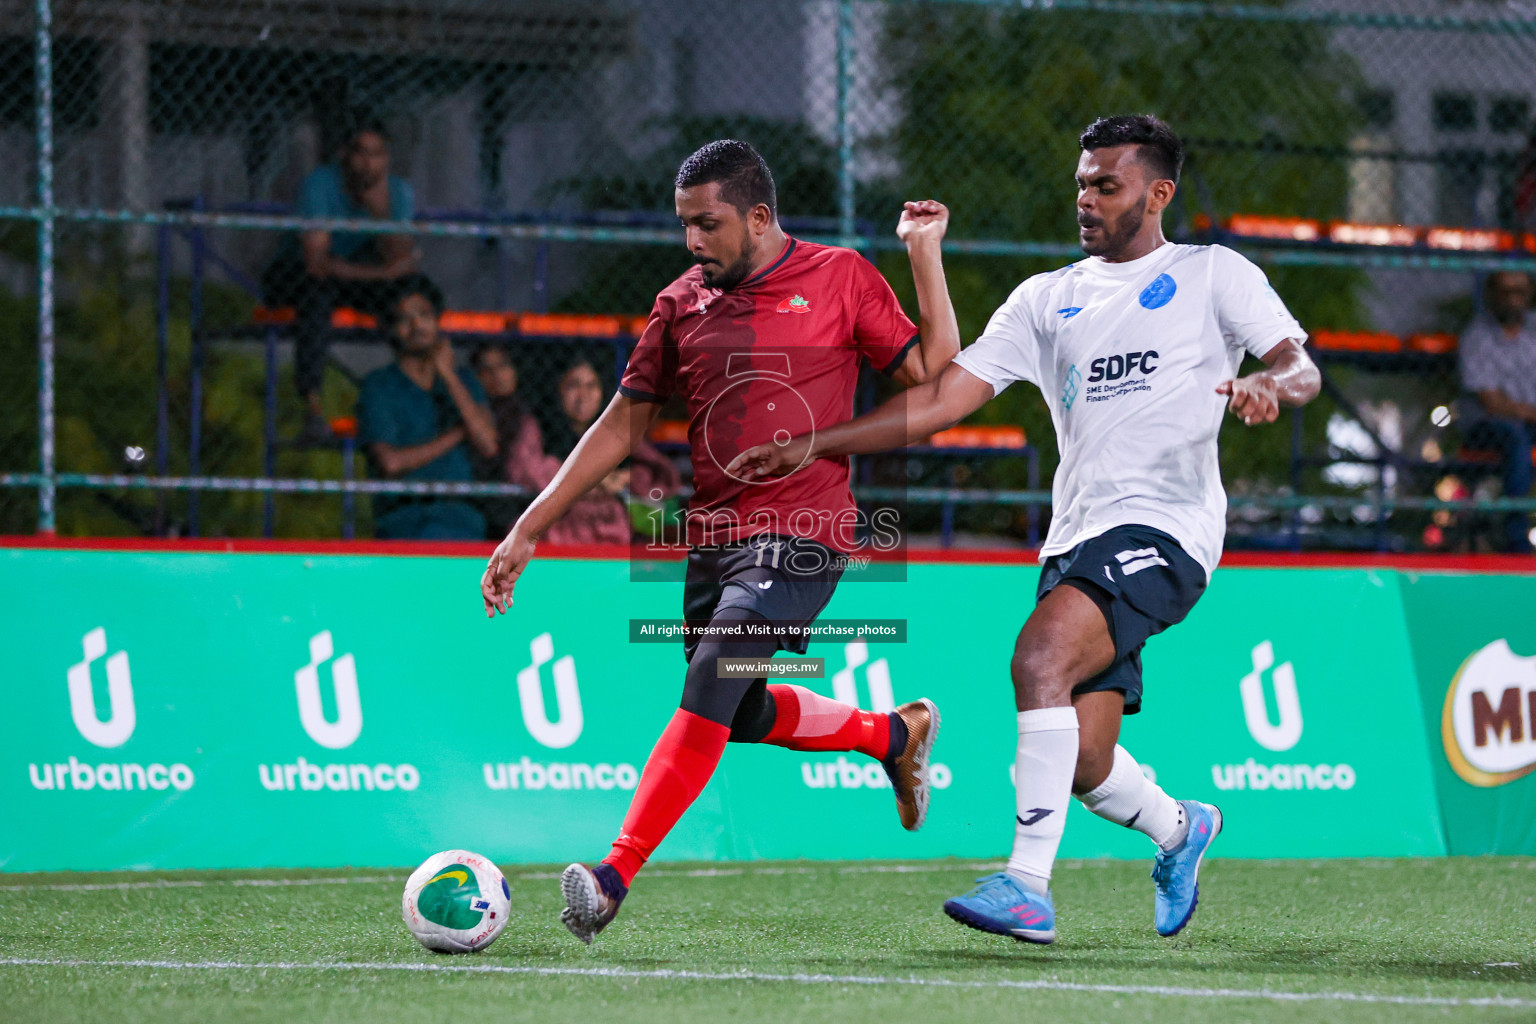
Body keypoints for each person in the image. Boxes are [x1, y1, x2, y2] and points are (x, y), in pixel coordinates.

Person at [730, 115, 1321, 945]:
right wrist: (812, 441)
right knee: (1082, 762)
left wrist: (1271, 384)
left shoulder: (1213, 274)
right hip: (1075, 538)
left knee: (1038, 658)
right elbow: (940, 400)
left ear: (1159, 193)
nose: (1085, 198)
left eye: (1105, 184)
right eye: (1081, 182)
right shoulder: (1047, 297)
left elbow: (1301, 364)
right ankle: (1181, 829)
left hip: (1168, 527)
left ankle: (1026, 884)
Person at [479, 139, 961, 943]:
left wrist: (922, 252)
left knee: (716, 668)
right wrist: (531, 525)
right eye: (685, 226)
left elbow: (933, 368)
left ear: (760, 216)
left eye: (709, 225)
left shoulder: (840, 276)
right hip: (714, 538)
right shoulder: (681, 302)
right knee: (733, 711)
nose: (693, 242)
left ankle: (612, 876)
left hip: (807, 530)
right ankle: (893, 734)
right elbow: (624, 420)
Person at [264, 117, 423, 441]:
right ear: (344, 155)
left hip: (356, 274)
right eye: (361, 154)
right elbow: (317, 263)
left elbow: (401, 261)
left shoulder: (396, 191)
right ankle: (313, 409)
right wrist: (382, 273)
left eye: (378, 154)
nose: (369, 164)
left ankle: (411, 398)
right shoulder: (320, 184)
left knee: (414, 295)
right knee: (315, 298)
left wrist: (382, 216)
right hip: (301, 274)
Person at [357, 276, 498, 540]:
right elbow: (391, 462)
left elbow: (488, 443)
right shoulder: (379, 386)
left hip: (461, 516)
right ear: (391, 328)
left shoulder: (464, 380)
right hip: (404, 518)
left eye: (424, 315)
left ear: (437, 321)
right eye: (404, 318)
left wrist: (448, 375)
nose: (417, 325)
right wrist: (457, 434)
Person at [504, 358, 682, 546]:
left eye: (591, 386)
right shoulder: (535, 426)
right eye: (573, 385)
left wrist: (626, 477)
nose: (583, 395)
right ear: (557, 390)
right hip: (555, 529)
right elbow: (529, 471)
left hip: (610, 531)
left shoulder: (615, 428)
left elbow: (663, 475)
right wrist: (596, 480)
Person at [1458, 270, 1536, 553]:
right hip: (1488, 425)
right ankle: (1516, 538)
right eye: (1506, 292)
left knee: (1521, 435)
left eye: (1520, 292)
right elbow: (1492, 402)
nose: (1513, 300)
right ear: (1491, 296)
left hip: (1528, 421)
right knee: (1515, 437)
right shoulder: (1477, 337)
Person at [469, 342, 532, 538]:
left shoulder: (526, 412)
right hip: (484, 500)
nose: (497, 375)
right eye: (487, 370)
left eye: (503, 365)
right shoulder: (475, 412)